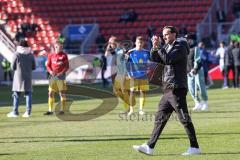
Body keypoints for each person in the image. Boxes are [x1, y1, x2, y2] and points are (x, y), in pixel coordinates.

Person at [133, 26, 200, 156]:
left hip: (176, 88)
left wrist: (159, 48)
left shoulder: (180, 46)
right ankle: (149, 147)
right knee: (160, 118)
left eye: (167, 34)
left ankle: (195, 147)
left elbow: (168, 59)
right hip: (168, 89)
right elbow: (155, 60)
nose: (164, 37)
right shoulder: (168, 47)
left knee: (184, 118)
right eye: (163, 35)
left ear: (174, 34)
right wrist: (154, 47)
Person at [7, 40, 36, 118]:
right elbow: (34, 67)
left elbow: (12, 67)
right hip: (28, 76)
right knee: (28, 94)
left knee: (16, 95)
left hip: (18, 77)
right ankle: (28, 112)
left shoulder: (16, 54)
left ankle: (15, 112)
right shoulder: (31, 55)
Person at [126, 36, 150, 116]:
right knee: (132, 92)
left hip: (143, 75)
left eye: (141, 42)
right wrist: (129, 73)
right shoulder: (130, 52)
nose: (140, 44)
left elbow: (150, 62)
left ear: (143, 43)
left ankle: (141, 110)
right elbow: (126, 63)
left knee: (143, 92)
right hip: (134, 75)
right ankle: (131, 110)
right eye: (138, 42)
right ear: (135, 43)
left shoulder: (147, 52)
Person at [44, 41, 69, 115]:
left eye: (62, 47)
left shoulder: (64, 56)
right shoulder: (51, 55)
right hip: (53, 76)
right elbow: (48, 66)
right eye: (60, 47)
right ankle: (50, 110)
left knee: (62, 93)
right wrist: (51, 72)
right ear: (55, 47)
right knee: (50, 93)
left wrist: (61, 72)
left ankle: (62, 110)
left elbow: (67, 66)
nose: (61, 48)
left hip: (61, 77)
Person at [186, 34, 208, 111]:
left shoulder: (196, 48)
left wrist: (195, 69)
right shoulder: (185, 49)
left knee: (201, 88)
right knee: (191, 88)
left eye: (188, 39)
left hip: (197, 71)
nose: (187, 40)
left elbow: (197, 60)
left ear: (192, 40)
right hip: (189, 72)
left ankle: (205, 103)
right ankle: (197, 103)